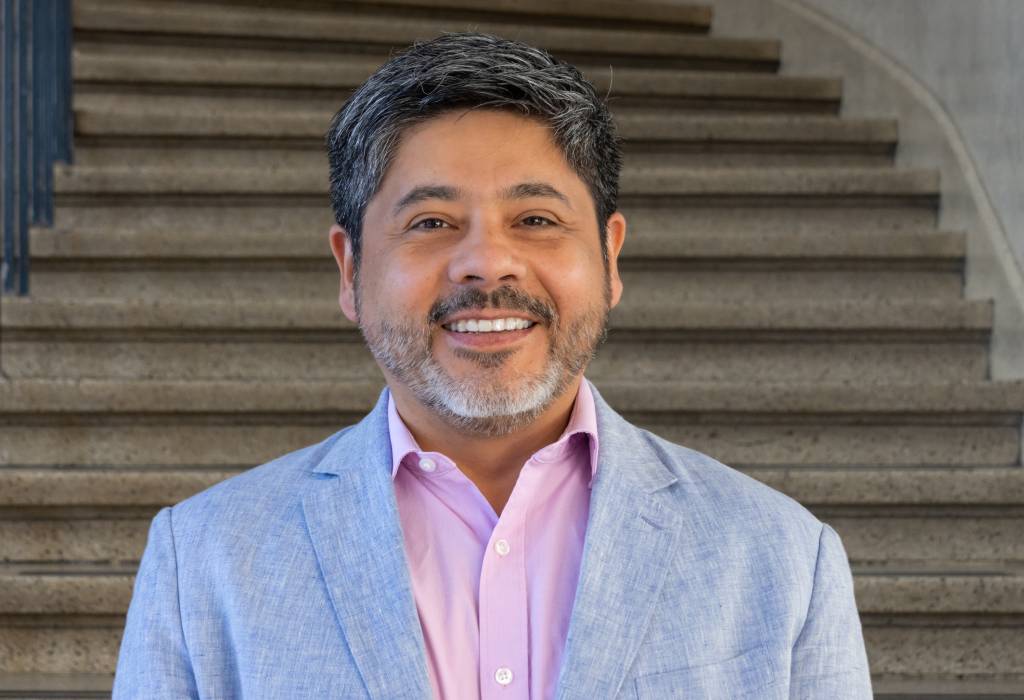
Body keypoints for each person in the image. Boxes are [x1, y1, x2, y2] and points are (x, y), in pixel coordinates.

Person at [112, 32, 873, 699]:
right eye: (431, 222)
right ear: (350, 269)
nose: (486, 262)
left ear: (609, 257)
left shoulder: (781, 557)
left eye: (536, 219)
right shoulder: (204, 558)